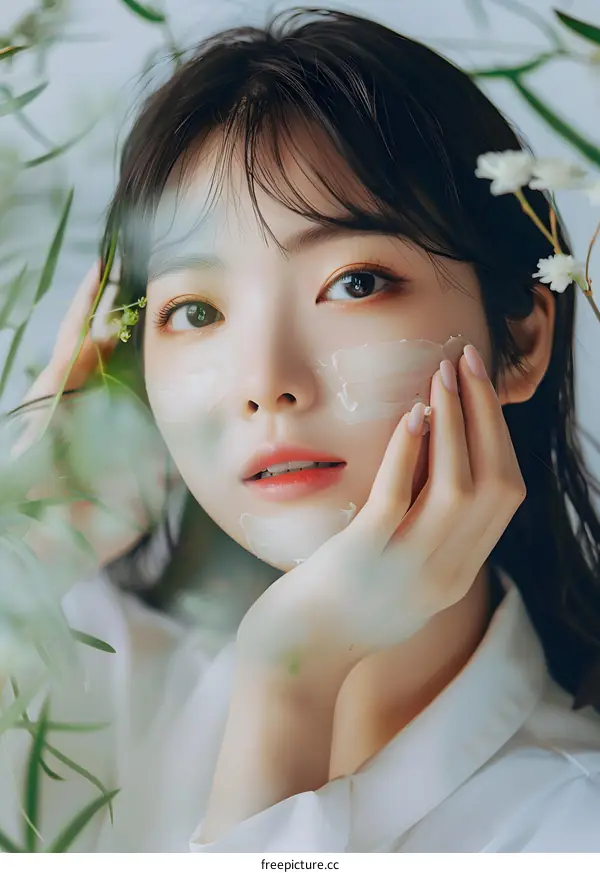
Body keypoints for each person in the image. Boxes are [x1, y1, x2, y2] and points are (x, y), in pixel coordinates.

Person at [2, 5, 600, 853]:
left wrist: (292, 682)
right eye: (196, 308)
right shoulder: (78, 686)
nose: (265, 383)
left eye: (355, 283)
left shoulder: (573, 829)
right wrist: (31, 544)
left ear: (522, 340)